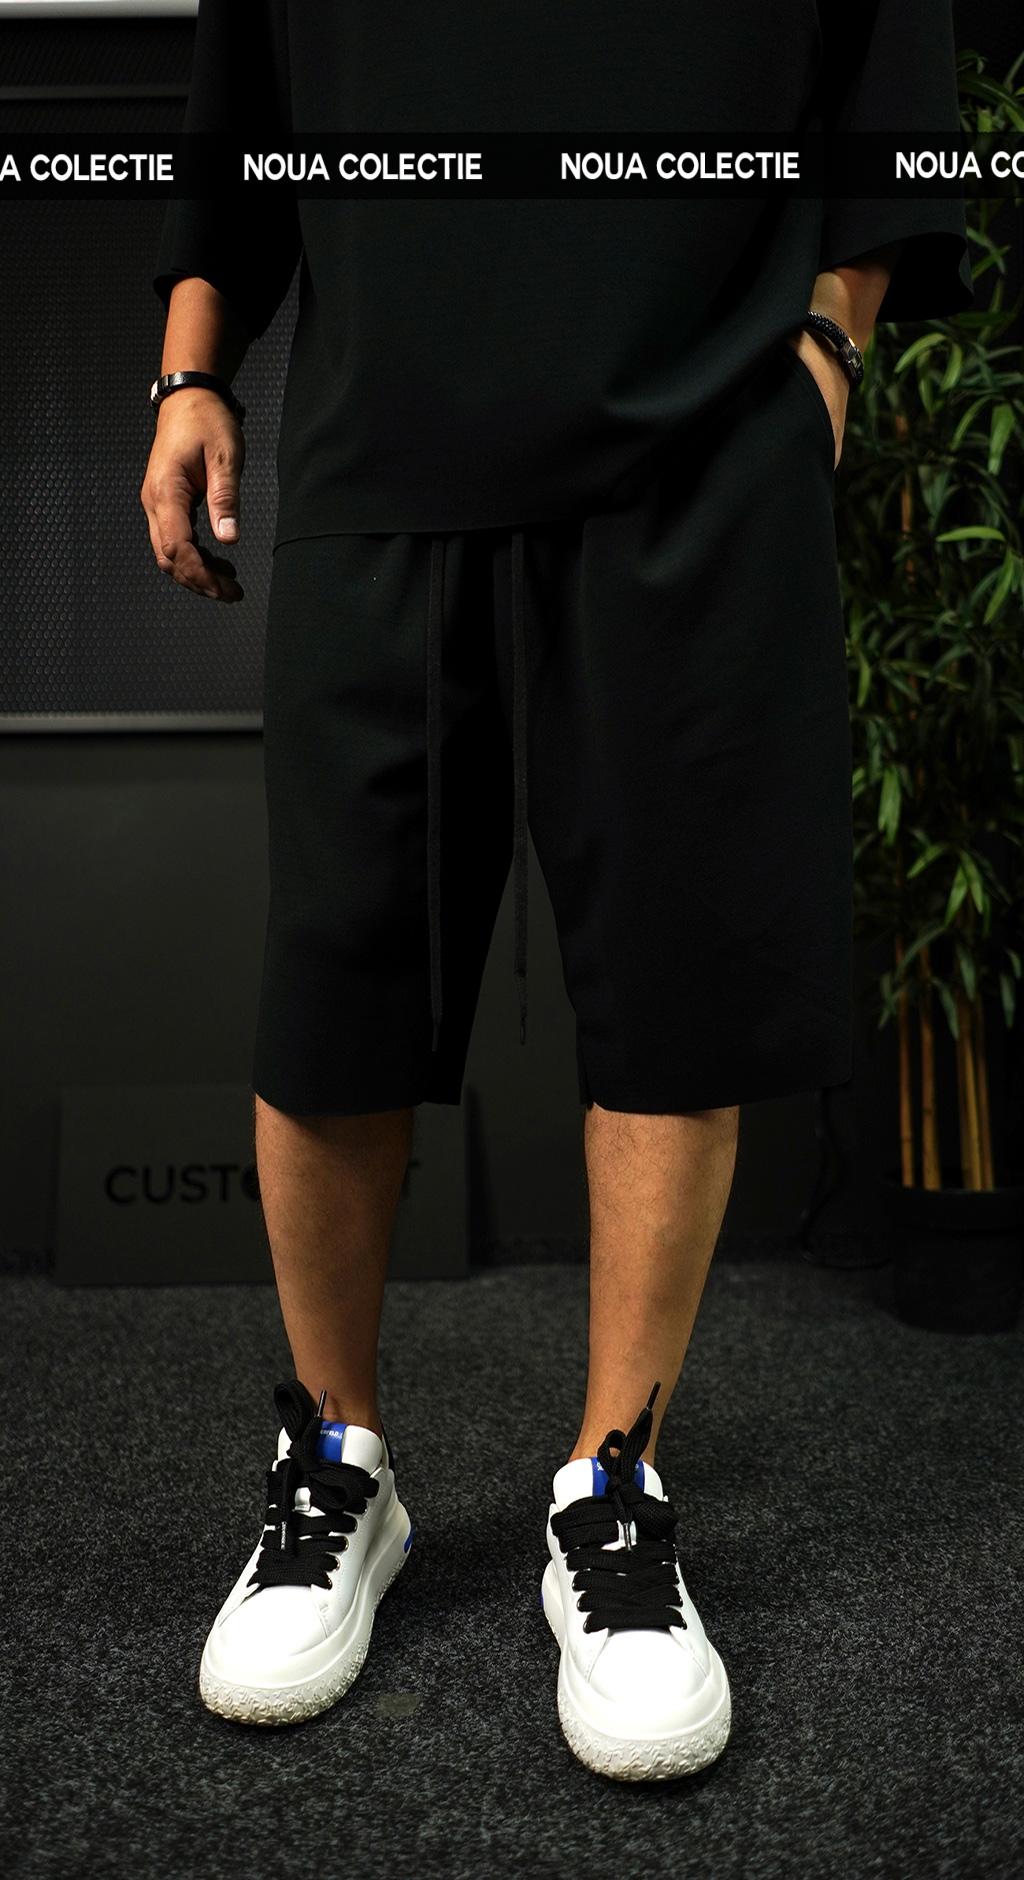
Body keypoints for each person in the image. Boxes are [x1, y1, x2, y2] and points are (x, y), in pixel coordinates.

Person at [142, 1, 971, 1778]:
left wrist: (830, 348)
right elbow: (239, 100)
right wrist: (189, 372)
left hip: (700, 450)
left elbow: (889, 70)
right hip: (384, 437)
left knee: (674, 985)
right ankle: (337, 1470)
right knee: (340, 976)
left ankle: (613, 1490)